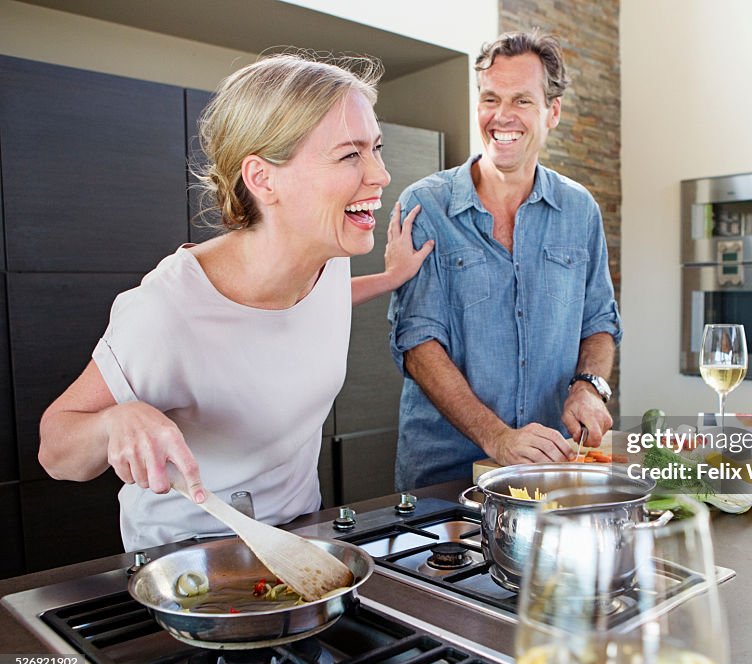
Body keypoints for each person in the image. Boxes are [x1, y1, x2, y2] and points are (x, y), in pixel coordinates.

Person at [36, 52, 434, 551]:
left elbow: (303, 311)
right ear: (264, 178)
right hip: (189, 561)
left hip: (298, 536)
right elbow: (56, 448)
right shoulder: (169, 309)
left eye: (376, 148)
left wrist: (390, 277)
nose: (380, 174)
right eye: (350, 155)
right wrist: (116, 419)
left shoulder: (326, 257)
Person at [389, 30, 622, 489]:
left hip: (547, 470)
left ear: (552, 112)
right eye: (491, 99)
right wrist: (496, 437)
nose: (502, 117)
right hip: (444, 478)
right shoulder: (426, 206)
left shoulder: (580, 211)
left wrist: (589, 386)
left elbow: (599, 323)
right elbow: (418, 346)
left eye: (521, 101)